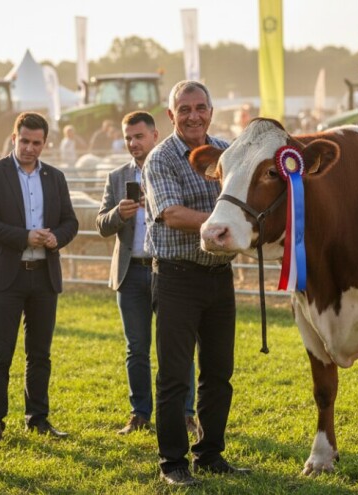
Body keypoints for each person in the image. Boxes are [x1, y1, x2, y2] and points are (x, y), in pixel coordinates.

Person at [143, 80, 250, 486]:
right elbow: (169, 212)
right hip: (176, 278)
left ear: (211, 110)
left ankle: (210, 454)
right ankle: (172, 462)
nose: (193, 116)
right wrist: (219, 225)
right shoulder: (161, 158)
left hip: (219, 276)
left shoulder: (228, 151)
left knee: (219, 371)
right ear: (170, 115)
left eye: (200, 107)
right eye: (184, 109)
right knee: (174, 375)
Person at [0, 112, 79, 445]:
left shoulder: (55, 177)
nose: (30, 148)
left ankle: (38, 418)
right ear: (13, 137)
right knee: (0, 352)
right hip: (7, 276)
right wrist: (24, 236)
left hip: (44, 276)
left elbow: (70, 221)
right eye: (25, 141)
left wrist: (55, 238)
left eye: (37, 143)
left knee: (40, 354)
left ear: (45, 143)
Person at [96, 111, 198, 436]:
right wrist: (117, 214)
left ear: (155, 135)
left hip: (167, 270)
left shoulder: (171, 168)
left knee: (177, 347)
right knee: (136, 348)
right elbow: (101, 224)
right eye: (128, 137)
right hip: (131, 273)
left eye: (138, 136)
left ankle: (185, 413)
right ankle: (140, 413)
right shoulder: (116, 177)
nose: (133, 143)